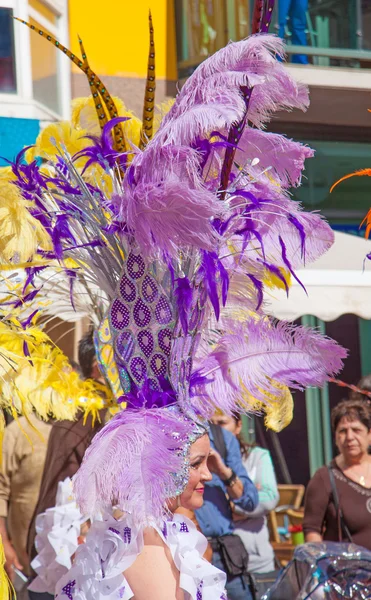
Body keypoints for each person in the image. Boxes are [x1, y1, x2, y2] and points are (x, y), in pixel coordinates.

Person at [6, 4, 347, 598]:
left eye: (200, 461)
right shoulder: (140, 550)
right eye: (192, 465)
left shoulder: (166, 534)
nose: (206, 476)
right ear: (149, 469)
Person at [27, 331, 106, 600]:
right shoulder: (80, 420)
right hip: (67, 567)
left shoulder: (106, 417)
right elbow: (67, 506)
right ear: (99, 368)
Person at [212, 414, 279, 593]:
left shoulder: (257, 456)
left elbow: (270, 497)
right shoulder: (204, 460)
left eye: (222, 423)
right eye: (211, 424)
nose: (215, 429)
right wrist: (246, 493)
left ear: (238, 425)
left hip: (255, 562)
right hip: (220, 562)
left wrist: (231, 506)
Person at [196, 424, 258, 600]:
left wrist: (223, 471)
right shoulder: (164, 436)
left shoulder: (222, 438)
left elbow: (250, 500)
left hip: (226, 557)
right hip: (187, 556)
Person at [303, 400, 371, 549]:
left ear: (369, 434)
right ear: (335, 438)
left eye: (356, 430)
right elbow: (312, 530)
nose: (349, 437)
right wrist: (322, 563)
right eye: (342, 431)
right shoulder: (324, 478)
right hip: (348, 569)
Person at [0, 413, 51, 584]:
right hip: (26, 566)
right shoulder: (17, 431)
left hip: (78, 568)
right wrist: (4, 546)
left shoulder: (87, 428)